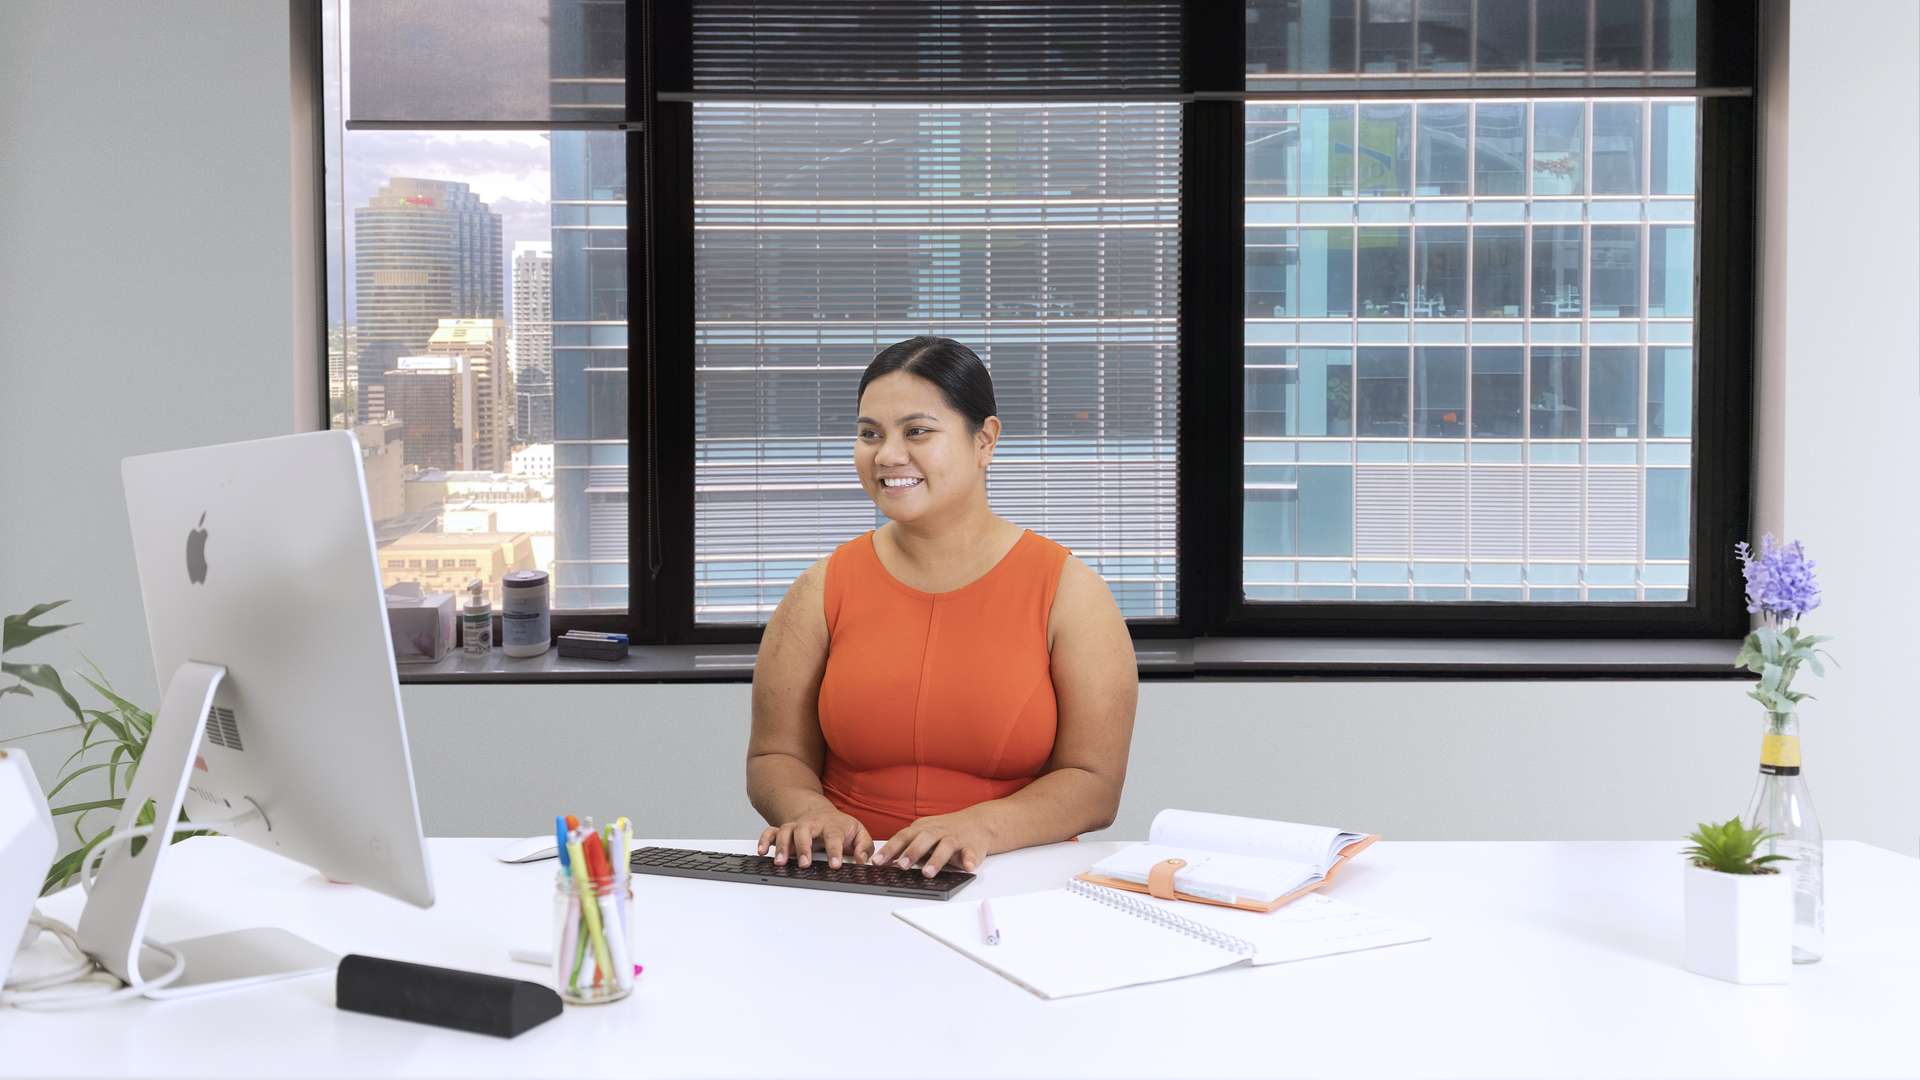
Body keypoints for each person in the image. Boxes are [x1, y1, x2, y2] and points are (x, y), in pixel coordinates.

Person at [746, 336, 1137, 878]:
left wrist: (978, 828)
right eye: (869, 434)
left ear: (985, 441)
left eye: (917, 431)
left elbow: (1094, 783)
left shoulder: (1071, 592)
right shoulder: (819, 587)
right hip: (848, 879)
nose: (887, 455)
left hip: (1011, 879)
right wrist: (811, 814)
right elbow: (774, 758)